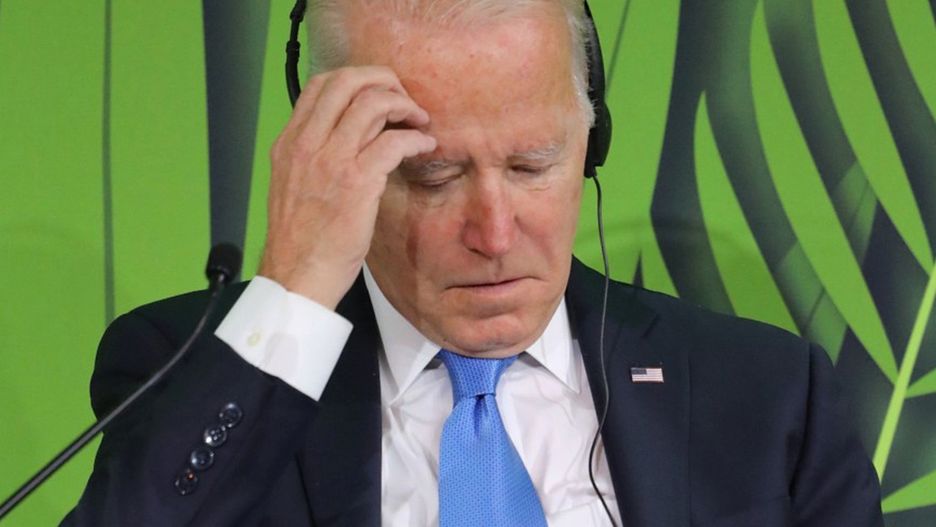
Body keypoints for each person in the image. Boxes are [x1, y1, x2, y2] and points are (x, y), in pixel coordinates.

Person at [64, 0, 884, 525]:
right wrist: (295, 293)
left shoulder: (772, 396)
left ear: (592, 140)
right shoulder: (183, 372)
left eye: (532, 165)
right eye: (432, 176)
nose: (494, 233)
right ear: (335, 157)